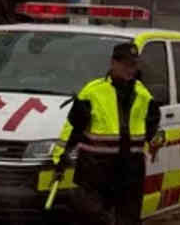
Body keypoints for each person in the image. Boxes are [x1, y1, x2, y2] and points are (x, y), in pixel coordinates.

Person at [51, 42, 161, 225]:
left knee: (129, 220)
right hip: (96, 173)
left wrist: (157, 138)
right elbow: (73, 128)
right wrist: (60, 158)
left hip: (130, 174)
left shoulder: (144, 95)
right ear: (113, 63)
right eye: (125, 64)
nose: (130, 69)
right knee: (94, 218)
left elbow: (152, 128)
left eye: (133, 64)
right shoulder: (93, 92)